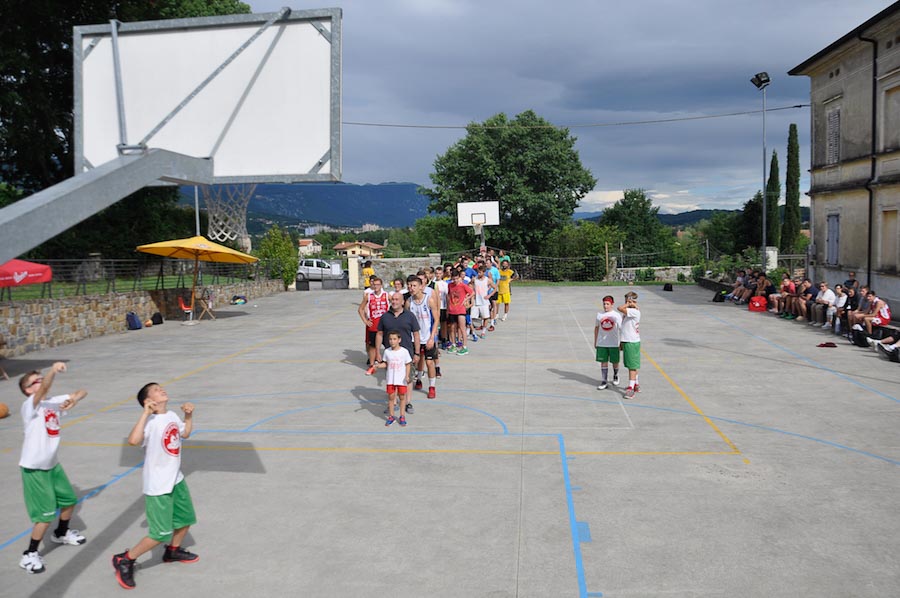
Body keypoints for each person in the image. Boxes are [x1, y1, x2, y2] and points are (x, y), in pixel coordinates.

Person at [113, 383, 198, 590]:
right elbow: (133, 441)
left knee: (185, 520)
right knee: (159, 533)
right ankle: (125, 559)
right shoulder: (149, 422)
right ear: (148, 400)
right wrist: (145, 413)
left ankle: (172, 551)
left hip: (176, 479)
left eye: (161, 387)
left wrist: (188, 416)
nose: (162, 390)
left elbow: (185, 433)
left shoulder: (171, 415)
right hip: (158, 485)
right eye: (156, 389)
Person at [17, 363, 88, 574]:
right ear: (28, 390)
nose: (41, 382)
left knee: (69, 501)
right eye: (36, 381)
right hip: (35, 468)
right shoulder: (30, 406)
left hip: (52, 464)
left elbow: (82, 391)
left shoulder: (52, 402)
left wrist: (73, 400)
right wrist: (53, 371)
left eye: (41, 379)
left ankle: (61, 533)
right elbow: (46, 388)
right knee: (45, 515)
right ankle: (29, 554)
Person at [375, 293, 421, 414]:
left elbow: (416, 334)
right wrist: (377, 352)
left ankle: (407, 403)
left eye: (397, 299)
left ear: (402, 302)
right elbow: (379, 334)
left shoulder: (410, 316)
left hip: (407, 354)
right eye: (392, 300)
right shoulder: (385, 316)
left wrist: (417, 353)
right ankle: (393, 403)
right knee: (392, 378)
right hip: (391, 356)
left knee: (408, 379)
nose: (394, 302)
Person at [407, 275, 440, 399]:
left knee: (429, 362)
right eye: (409, 286)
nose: (411, 288)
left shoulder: (428, 300)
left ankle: (432, 387)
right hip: (414, 338)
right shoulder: (409, 302)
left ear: (421, 287)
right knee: (418, 360)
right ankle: (419, 379)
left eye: (414, 285)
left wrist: (432, 338)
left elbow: (436, 320)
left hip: (427, 337)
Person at [376, 331, 413, 426]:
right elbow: (386, 364)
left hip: (401, 380)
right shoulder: (387, 352)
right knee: (391, 397)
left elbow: (408, 364)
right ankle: (391, 416)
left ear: (399, 340)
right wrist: (378, 366)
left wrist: (407, 375)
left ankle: (402, 416)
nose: (392, 341)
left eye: (394, 339)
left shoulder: (404, 352)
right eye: (390, 339)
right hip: (391, 379)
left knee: (402, 397)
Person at [358, 277, 390, 369]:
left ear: (381, 285)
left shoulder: (387, 295)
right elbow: (360, 309)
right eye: (374, 284)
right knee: (372, 346)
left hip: (385, 326)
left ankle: (388, 364)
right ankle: (372, 365)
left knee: (388, 346)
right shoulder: (368, 296)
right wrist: (365, 321)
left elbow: (397, 305)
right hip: (373, 325)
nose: (376, 286)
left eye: (378, 284)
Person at [593, 295, 622, 390]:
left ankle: (616, 375)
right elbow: (596, 328)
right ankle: (604, 380)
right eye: (604, 304)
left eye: (607, 304)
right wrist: (596, 341)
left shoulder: (616, 315)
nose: (605, 306)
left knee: (615, 361)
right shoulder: (599, 315)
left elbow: (621, 329)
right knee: (603, 361)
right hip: (602, 343)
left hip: (614, 343)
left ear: (612, 304)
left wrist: (621, 342)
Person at [618, 291, 641, 399]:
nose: (626, 303)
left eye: (627, 301)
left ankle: (631, 389)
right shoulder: (629, 312)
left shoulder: (634, 311)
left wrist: (628, 304)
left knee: (632, 366)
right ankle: (636, 384)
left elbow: (619, 308)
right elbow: (624, 328)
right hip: (627, 340)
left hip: (632, 342)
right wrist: (622, 341)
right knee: (631, 364)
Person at [446, 268, 475, 355]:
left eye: (456, 278)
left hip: (461, 309)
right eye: (453, 279)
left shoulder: (463, 285)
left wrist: (466, 299)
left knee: (462, 328)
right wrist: (448, 307)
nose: (455, 280)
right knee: (452, 328)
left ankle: (464, 347)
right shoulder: (450, 285)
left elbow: (472, 293)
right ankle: (453, 345)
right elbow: (449, 295)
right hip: (452, 309)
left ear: (459, 278)